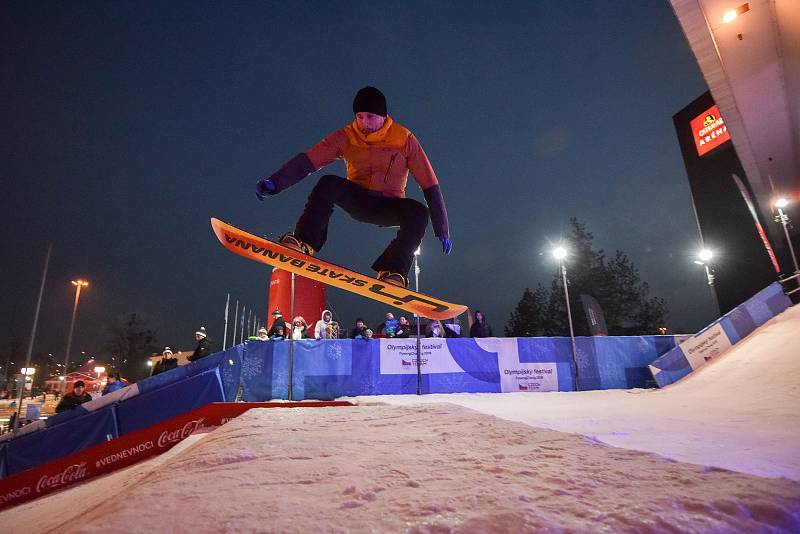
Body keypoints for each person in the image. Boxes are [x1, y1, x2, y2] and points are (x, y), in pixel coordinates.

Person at [255, 86, 453, 288]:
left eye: (369, 116)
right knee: (328, 183)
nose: (364, 123)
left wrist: (442, 228)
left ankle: (393, 271)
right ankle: (303, 242)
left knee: (419, 212)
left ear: (383, 116)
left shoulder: (405, 139)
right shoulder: (347, 136)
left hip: (388, 205)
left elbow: (429, 183)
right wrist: (275, 182)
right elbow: (310, 160)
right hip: (359, 199)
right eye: (359, 117)